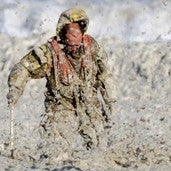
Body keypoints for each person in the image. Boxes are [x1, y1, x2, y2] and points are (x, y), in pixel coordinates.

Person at [7, 8, 115, 156]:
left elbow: (105, 76)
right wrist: (15, 89)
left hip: (89, 104)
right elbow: (23, 68)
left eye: (77, 33)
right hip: (60, 106)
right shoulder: (49, 52)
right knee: (56, 149)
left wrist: (111, 101)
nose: (74, 39)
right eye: (70, 34)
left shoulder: (91, 48)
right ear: (62, 33)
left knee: (100, 146)